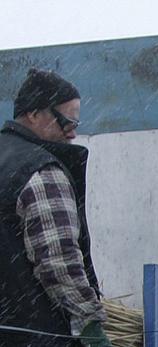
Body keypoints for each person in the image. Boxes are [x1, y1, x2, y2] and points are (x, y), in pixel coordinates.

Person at [0, 69, 110, 346]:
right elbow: (58, 261)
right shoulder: (40, 170)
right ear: (34, 114)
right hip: (33, 332)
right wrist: (90, 325)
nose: (72, 132)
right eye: (66, 121)